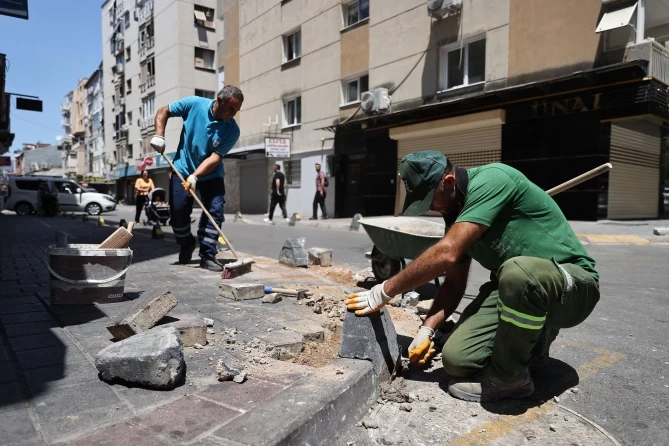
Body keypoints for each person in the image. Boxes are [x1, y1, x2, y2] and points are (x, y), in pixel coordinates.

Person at [345, 151, 600, 403]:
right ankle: (531, 349)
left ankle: (511, 378)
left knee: (516, 272)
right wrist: (427, 329)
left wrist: (384, 290)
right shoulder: (456, 213)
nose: (431, 208)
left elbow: (446, 253)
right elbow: (454, 284)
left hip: (570, 286)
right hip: (515, 288)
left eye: (430, 200)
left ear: (449, 182)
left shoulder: (494, 178)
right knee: (457, 359)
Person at [150, 85, 243, 271]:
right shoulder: (194, 104)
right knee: (177, 213)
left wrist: (196, 176)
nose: (233, 113)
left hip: (211, 174)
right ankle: (186, 243)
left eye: (237, 110)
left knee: (215, 212)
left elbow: (215, 157)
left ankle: (208, 255)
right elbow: (163, 111)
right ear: (219, 100)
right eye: (231, 108)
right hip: (182, 169)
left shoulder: (232, 130)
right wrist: (159, 135)